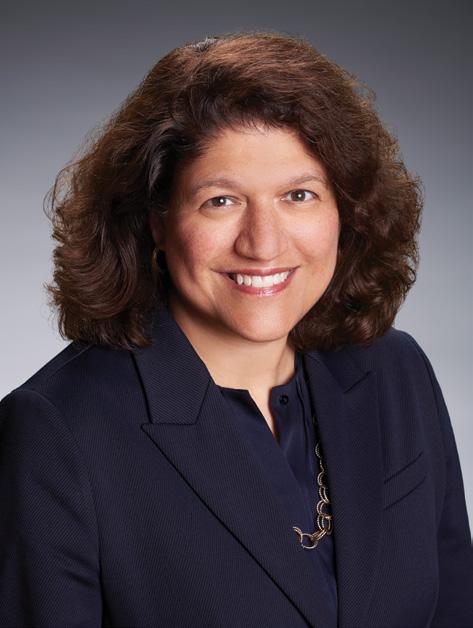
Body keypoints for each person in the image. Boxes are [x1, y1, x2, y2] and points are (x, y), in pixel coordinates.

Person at [0, 31, 471, 628]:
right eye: (221, 201)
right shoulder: (58, 432)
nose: (263, 244)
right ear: (157, 221)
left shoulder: (396, 371)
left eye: (298, 195)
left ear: (346, 209)